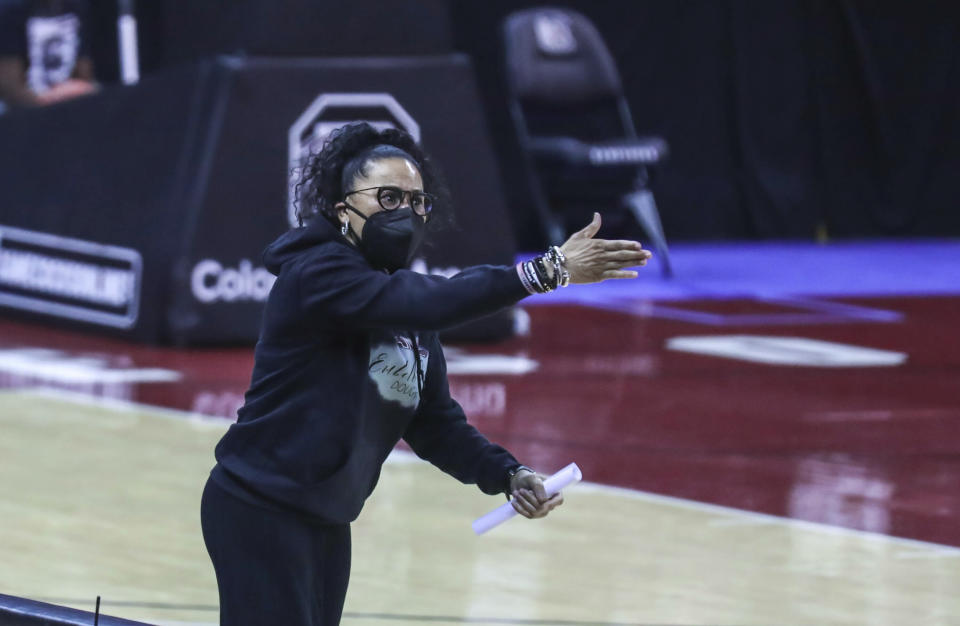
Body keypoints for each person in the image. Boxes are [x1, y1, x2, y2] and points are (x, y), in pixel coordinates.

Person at [200, 122, 652, 625]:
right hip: (259, 509)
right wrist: (544, 270)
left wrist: (507, 474)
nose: (406, 213)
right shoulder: (317, 274)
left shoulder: (403, 304)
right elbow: (429, 303)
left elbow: (434, 422)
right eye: (388, 197)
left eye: (417, 201)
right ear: (338, 208)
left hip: (326, 518)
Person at [0, 0, 96, 112]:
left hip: (71, 106)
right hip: (25, 114)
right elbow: (8, 85)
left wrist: (79, 89)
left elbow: (85, 75)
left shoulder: (77, 7)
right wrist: (49, 99)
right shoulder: (10, 10)